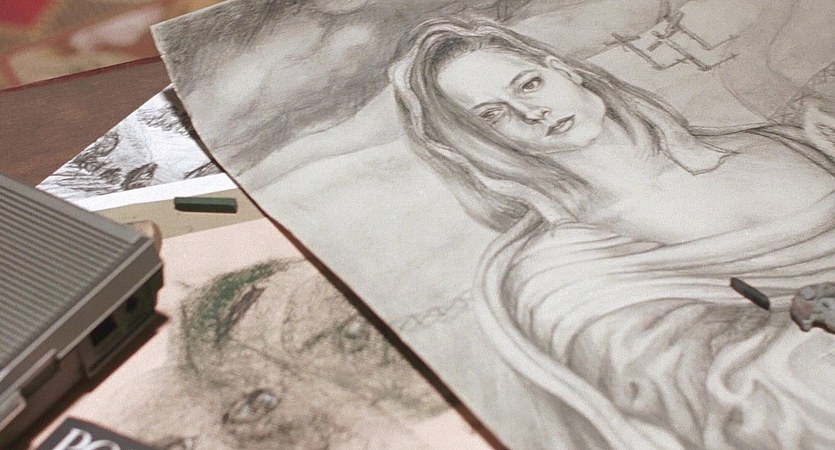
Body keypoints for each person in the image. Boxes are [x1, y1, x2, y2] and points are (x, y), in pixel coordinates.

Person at [390, 18, 835, 449]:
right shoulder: (563, 275)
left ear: (562, 70)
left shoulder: (776, 143)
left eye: (529, 84)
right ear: (477, 141)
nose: (531, 112)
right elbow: (721, 400)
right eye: (493, 115)